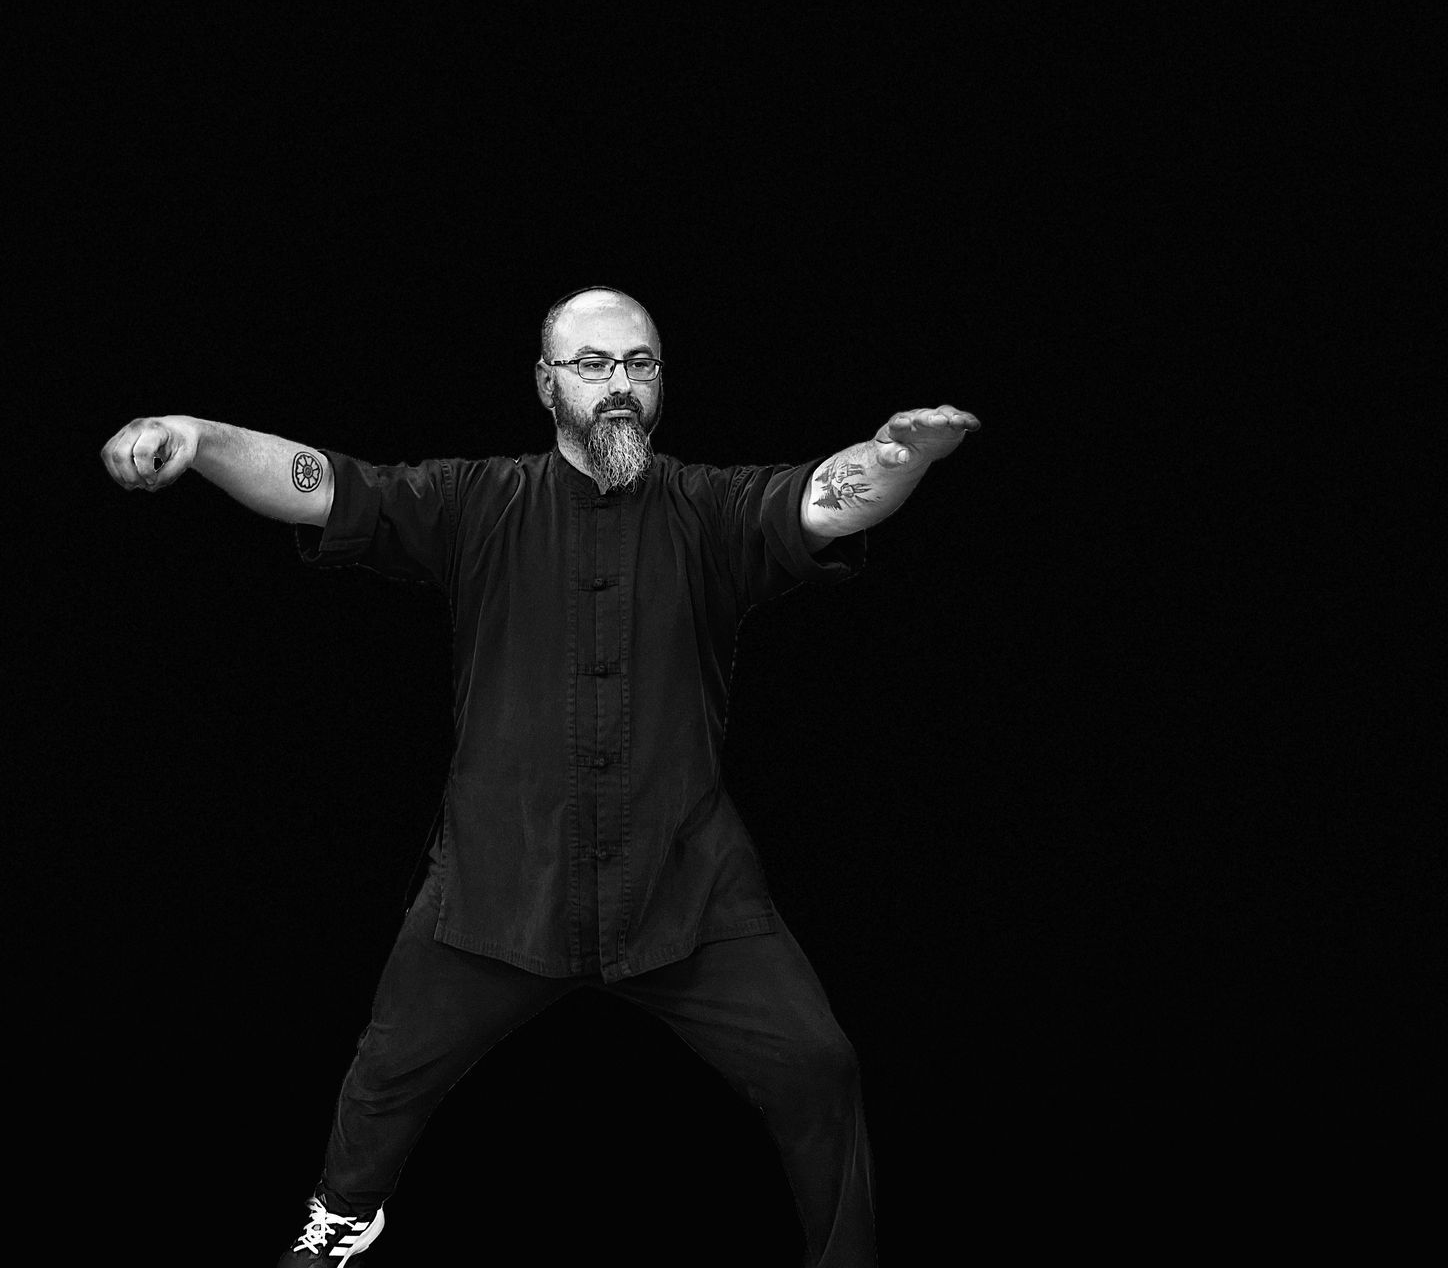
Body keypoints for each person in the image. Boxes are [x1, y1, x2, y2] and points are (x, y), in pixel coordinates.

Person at [99, 287, 979, 1266]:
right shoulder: (471, 500)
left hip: (682, 886)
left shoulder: (714, 508)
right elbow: (323, 486)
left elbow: (824, 495)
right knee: (387, 1069)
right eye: (593, 365)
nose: (619, 388)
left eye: (639, 366)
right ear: (545, 381)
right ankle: (345, 1217)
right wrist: (195, 433)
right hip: (497, 884)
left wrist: (902, 457)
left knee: (819, 1064)